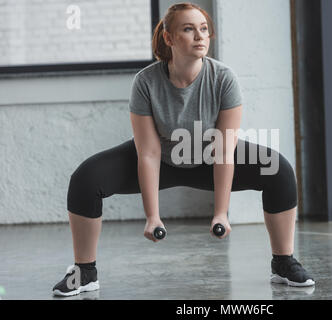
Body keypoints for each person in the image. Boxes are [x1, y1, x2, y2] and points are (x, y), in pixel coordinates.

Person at [52, 2, 315, 297]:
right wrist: (153, 216)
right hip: (162, 157)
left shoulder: (223, 78)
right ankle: (85, 272)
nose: (199, 36)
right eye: (188, 29)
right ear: (169, 38)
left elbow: (225, 150)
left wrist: (221, 212)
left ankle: (283, 263)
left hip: (210, 156)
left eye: (204, 29)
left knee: (277, 169)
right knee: (87, 178)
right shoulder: (146, 82)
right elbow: (148, 152)